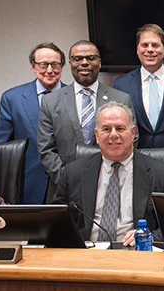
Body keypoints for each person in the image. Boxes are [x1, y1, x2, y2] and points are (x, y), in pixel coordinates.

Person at [53, 102, 164, 244]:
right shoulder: (72, 173)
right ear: (97, 135)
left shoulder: (162, 174)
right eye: (106, 129)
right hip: (86, 254)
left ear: (132, 133)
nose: (113, 135)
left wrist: (150, 237)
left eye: (120, 128)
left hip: (136, 254)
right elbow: (57, 222)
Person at [37, 40, 137, 197]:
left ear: (99, 62)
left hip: (111, 185)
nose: (84, 63)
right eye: (77, 59)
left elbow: (131, 140)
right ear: (69, 63)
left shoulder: (121, 99)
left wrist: (106, 175)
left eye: (90, 58)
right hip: (64, 189)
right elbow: (46, 150)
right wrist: (69, 179)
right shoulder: (50, 102)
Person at [0, 43, 66, 204]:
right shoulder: (12, 99)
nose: (49, 70)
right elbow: (1, 149)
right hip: (28, 183)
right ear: (33, 67)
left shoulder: (75, 98)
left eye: (55, 64)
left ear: (62, 66)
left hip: (66, 183)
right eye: (43, 65)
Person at [113, 24, 164, 148]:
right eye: (144, 45)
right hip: (136, 158)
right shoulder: (121, 84)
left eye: (155, 45)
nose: (150, 49)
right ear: (137, 49)